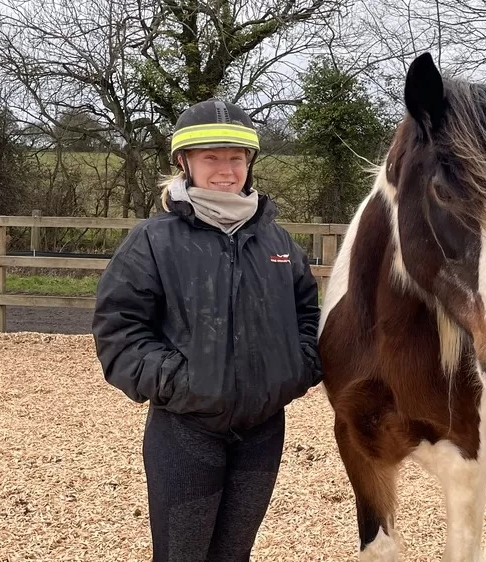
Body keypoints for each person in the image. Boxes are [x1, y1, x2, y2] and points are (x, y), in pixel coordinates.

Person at [91, 98, 323, 562]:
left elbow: (309, 317)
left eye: (235, 158)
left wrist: (292, 371)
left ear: (250, 164)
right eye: (211, 158)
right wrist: (183, 383)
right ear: (185, 163)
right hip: (186, 431)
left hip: (261, 432)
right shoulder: (152, 241)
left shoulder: (277, 243)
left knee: (234, 554)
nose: (225, 170)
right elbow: (119, 329)